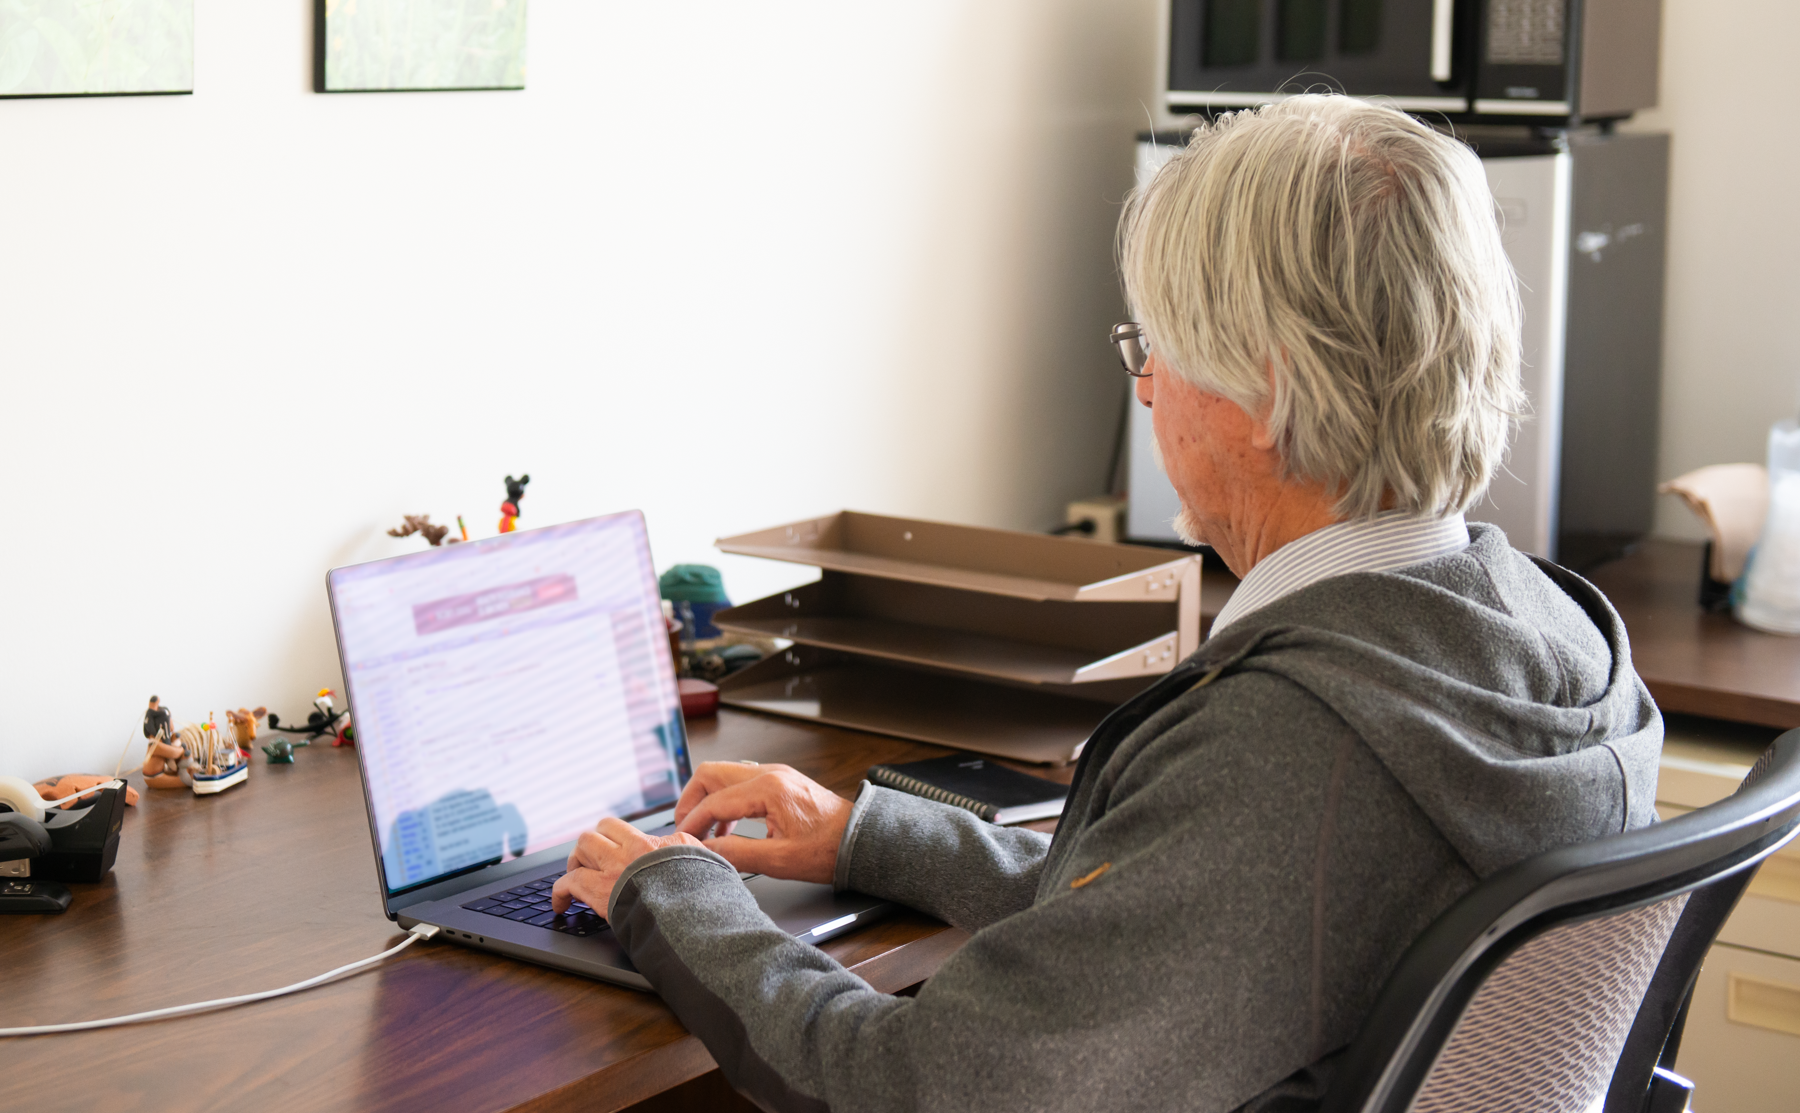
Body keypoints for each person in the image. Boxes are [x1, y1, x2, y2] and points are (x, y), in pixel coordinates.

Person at [550, 95, 1661, 1112]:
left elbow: (919, 1091)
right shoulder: (1552, 634)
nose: (1144, 385)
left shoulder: (1293, 744)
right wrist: (872, 839)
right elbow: (1197, 915)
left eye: (1156, 347)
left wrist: (669, 893)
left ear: (1263, 391)